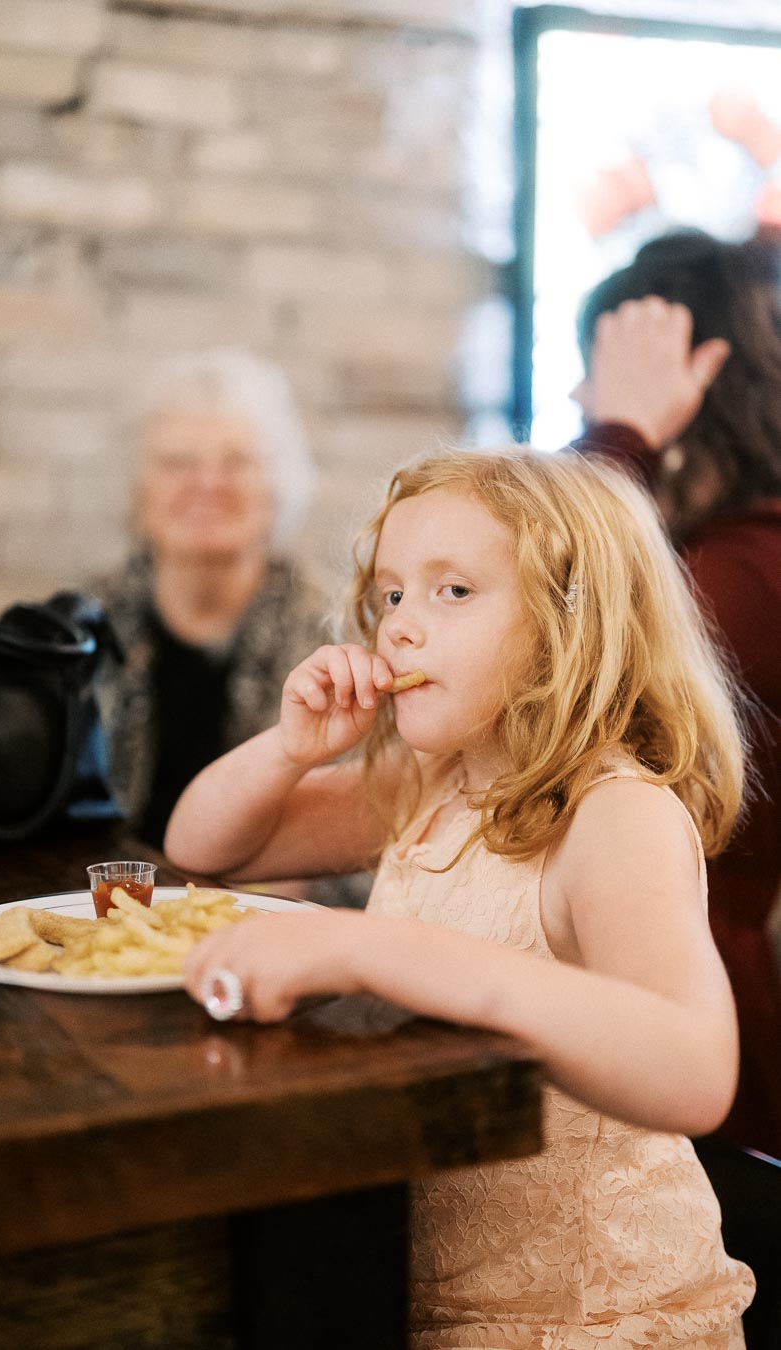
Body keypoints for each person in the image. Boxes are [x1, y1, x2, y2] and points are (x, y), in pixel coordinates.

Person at [168, 447, 755, 1348]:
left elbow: (694, 1069)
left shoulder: (615, 815)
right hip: (418, 1301)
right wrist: (290, 749)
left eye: (453, 592)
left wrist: (371, 949)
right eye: (393, 594)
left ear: (574, 623)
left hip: (588, 1322)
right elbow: (204, 846)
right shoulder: (431, 783)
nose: (398, 627)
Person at [572, 227, 781, 1160]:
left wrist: (621, 437)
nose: (584, 398)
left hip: (685, 998)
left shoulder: (746, 566)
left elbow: (550, 665)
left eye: (601, 377)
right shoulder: (707, 553)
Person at [93, 348, 330, 854]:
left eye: (236, 461)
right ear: (137, 490)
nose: (207, 483)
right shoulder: (82, 625)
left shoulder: (336, 634)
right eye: (178, 462)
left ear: (276, 487)